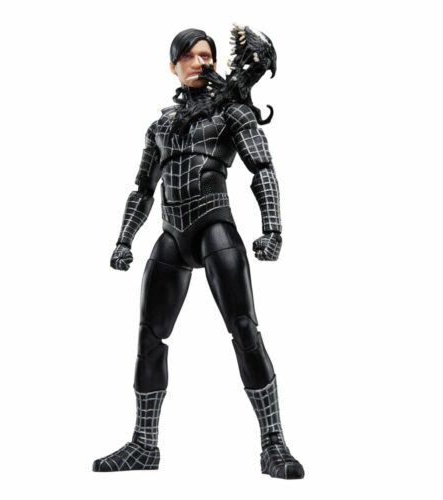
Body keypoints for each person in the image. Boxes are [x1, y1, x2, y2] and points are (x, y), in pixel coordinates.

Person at [92, 27, 304, 480]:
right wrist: (124, 239)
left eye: (206, 54)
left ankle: (273, 443)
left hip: (214, 225)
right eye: (188, 56)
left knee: (244, 330)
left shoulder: (233, 113)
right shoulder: (160, 127)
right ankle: (144, 445)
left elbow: (263, 169)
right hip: (172, 234)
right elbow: (142, 190)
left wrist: (272, 229)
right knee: (149, 338)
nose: (199, 61)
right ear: (173, 66)